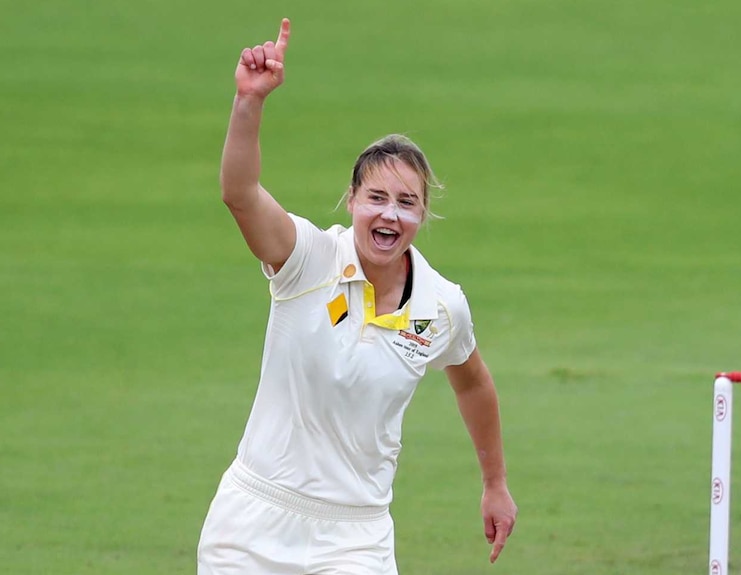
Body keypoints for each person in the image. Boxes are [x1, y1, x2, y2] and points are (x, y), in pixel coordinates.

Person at [197, 17, 518, 575]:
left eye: (406, 202)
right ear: (351, 201)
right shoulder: (306, 260)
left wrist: (495, 484)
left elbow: (473, 382)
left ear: (423, 214)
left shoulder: (441, 306)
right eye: (376, 197)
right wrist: (249, 103)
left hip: (355, 538)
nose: (389, 213)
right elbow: (240, 194)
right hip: (253, 521)